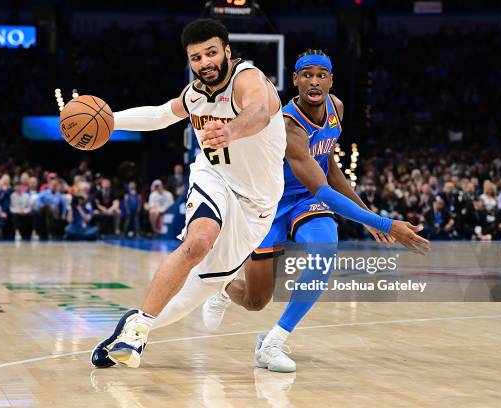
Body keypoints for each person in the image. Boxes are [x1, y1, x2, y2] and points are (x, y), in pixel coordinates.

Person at [91, 20, 425, 370]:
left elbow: (259, 113)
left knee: (218, 298)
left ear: (227, 52)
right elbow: (161, 114)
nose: (204, 62)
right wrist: (108, 121)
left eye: (211, 53)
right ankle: (138, 329)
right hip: (216, 177)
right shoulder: (195, 95)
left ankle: (134, 326)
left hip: (259, 203)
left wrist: (231, 130)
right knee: (198, 242)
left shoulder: (250, 79)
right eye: (196, 57)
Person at [200, 50, 430, 372]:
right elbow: (323, 189)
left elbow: (331, 169)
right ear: (295, 80)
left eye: (322, 75)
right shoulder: (289, 126)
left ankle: (273, 343)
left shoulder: (336, 108)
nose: (314, 81)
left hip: (308, 202)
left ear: (331, 81)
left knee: (325, 250)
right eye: (307, 74)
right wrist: (386, 223)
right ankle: (222, 285)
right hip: (272, 202)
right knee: (255, 301)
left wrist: (367, 217)